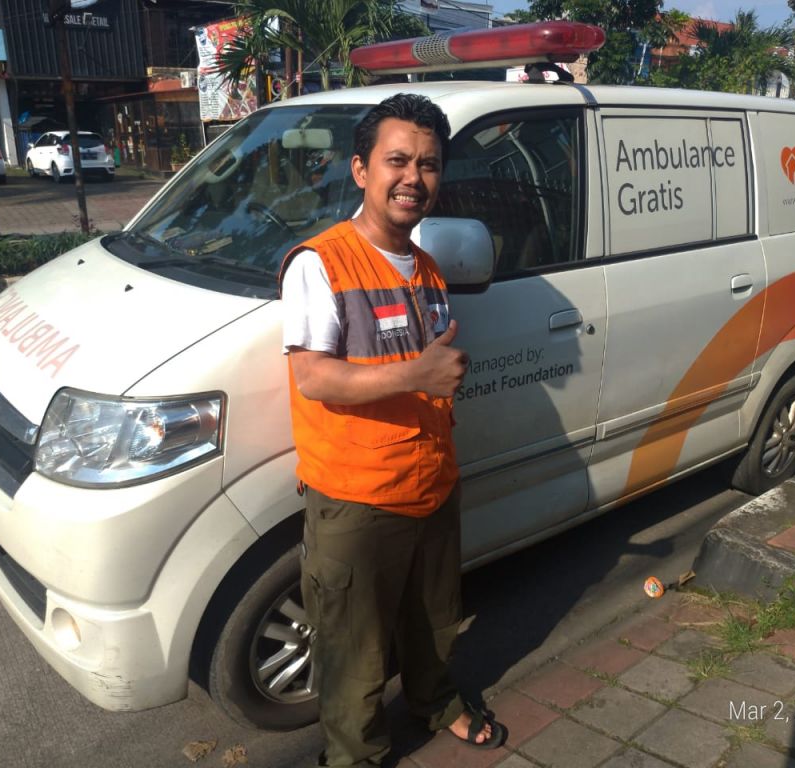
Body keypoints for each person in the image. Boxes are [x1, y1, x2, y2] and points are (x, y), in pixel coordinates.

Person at [278, 93, 507, 767]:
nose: (413, 178)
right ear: (361, 170)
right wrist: (418, 374)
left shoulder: (426, 268)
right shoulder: (321, 263)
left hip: (431, 481)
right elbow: (313, 377)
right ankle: (357, 756)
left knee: (434, 620)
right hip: (358, 495)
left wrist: (433, 376)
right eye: (397, 160)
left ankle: (436, 702)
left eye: (429, 165)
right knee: (354, 650)